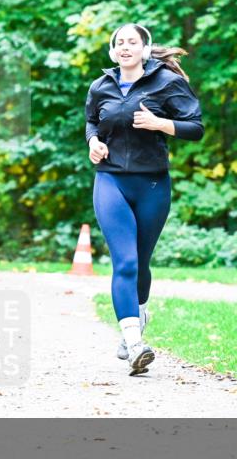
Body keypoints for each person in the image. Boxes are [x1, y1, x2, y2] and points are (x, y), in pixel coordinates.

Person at [84, 23, 204, 376]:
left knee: (141, 261)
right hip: (111, 181)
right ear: (112, 51)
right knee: (124, 262)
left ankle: (137, 313)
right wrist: (93, 143)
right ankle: (134, 343)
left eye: (132, 42)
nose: (125, 47)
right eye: (119, 42)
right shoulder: (100, 86)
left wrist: (159, 123)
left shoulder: (167, 84)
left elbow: (195, 128)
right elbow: (92, 122)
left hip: (152, 184)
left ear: (144, 49)